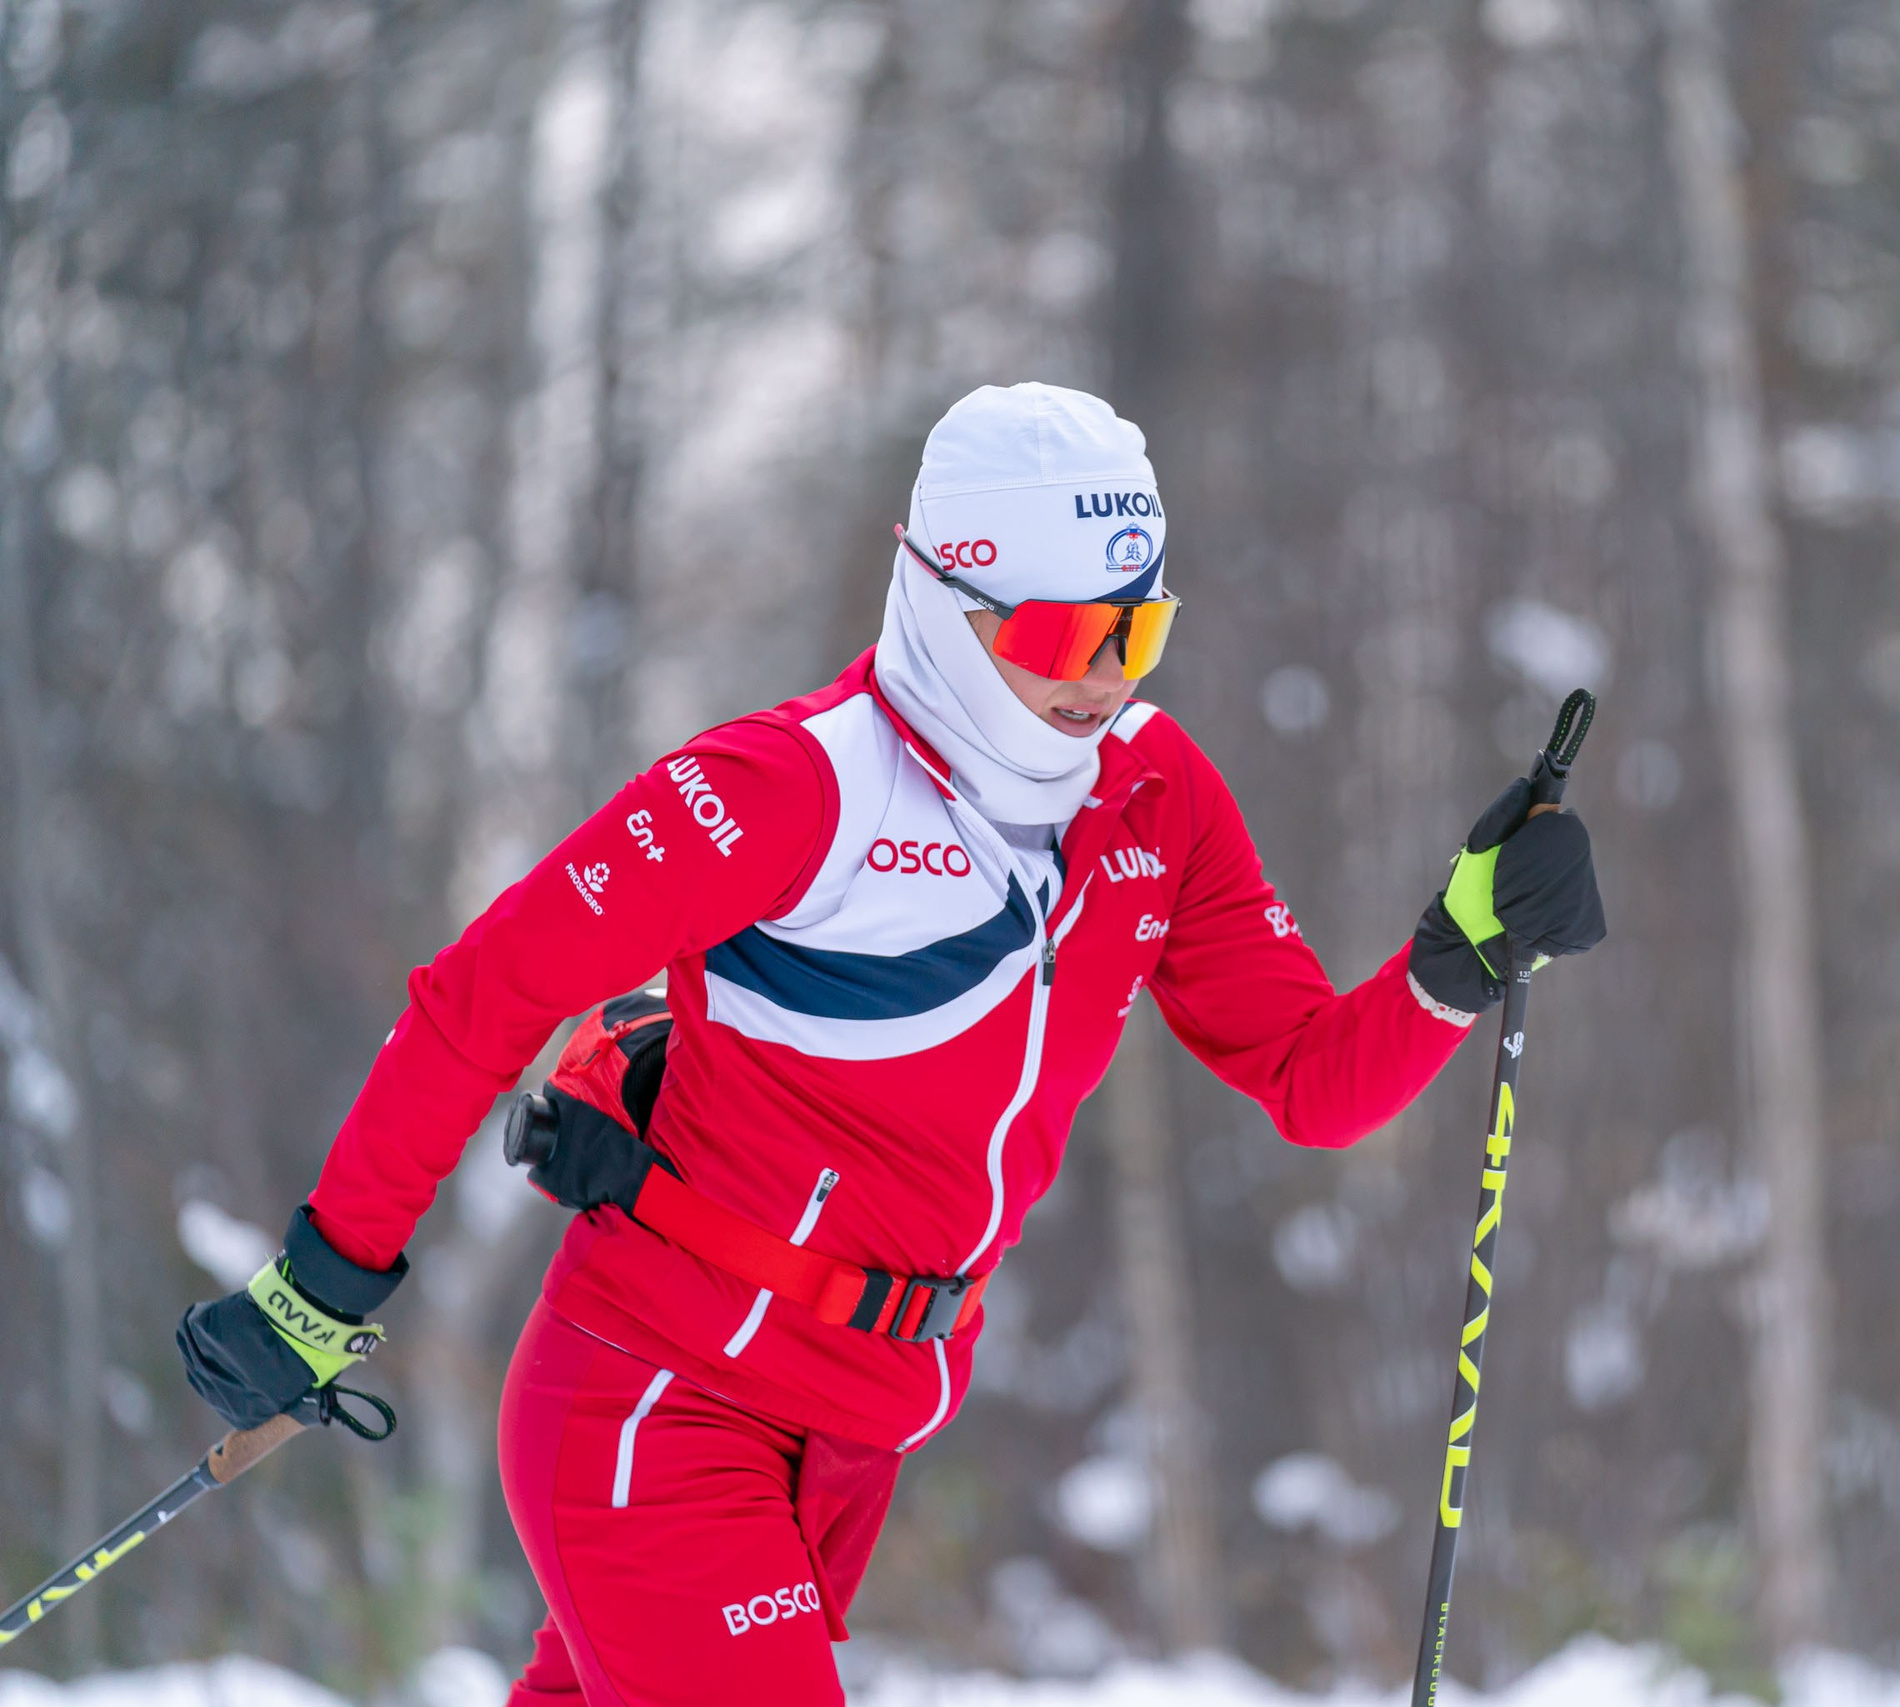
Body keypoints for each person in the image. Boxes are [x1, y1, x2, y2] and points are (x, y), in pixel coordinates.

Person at [174, 383, 1605, 1705]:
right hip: (665, 1401)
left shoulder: (1152, 797)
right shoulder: (789, 789)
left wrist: (1462, 951)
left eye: (1139, 631)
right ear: (949, 594)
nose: (1103, 679)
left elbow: (1308, 1078)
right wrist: (319, 1283)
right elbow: (480, 997)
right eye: (1064, 636)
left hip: (854, 1430)